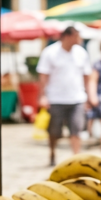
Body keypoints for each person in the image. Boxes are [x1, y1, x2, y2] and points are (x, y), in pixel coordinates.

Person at [37, 26, 92, 166]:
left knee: (76, 129)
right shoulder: (50, 52)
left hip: (77, 98)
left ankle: (76, 158)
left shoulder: (81, 53)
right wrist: (43, 96)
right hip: (56, 98)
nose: (80, 40)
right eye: (77, 36)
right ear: (68, 36)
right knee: (54, 131)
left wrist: (89, 95)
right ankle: (52, 152)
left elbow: (87, 76)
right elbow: (43, 76)